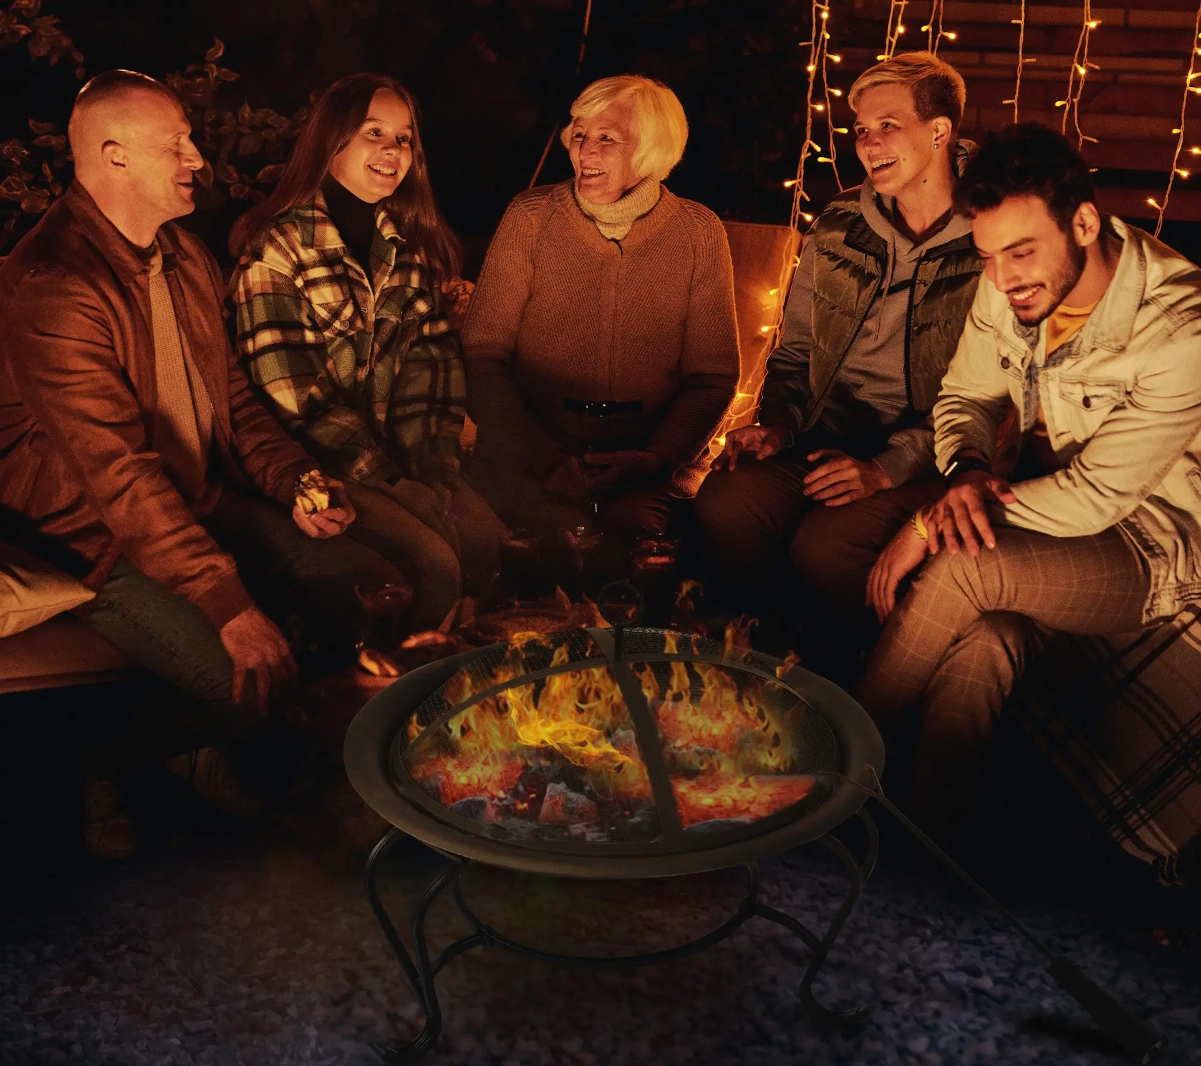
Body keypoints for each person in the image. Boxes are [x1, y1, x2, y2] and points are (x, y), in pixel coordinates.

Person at [0, 71, 405, 853]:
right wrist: (227, 604)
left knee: (364, 589)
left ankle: (232, 752)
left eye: (190, 138)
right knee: (248, 674)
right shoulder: (54, 285)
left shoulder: (182, 254)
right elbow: (116, 473)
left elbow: (231, 398)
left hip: (191, 498)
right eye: (175, 144)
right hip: (92, 532)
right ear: (113, 157)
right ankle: (100, 762)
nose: (197, 158)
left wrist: (297, 481)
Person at [857, 122, 1201, 840]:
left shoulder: (1180, 327)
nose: (1002, 276)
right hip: (1044, 515)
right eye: (986, 256)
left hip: (1156, 541)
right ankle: (924, 847)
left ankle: (822, 766)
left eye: (1020, 251)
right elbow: (965, 398)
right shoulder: (1008, 287)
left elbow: (1096, 497)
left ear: (1083, 221)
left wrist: (926, 524)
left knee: (960, 568)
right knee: (989, 640)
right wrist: (967, 471)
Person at [695, 53, 981, 665]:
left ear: (939, 131)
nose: (869, 144)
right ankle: (756, 657)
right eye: (861, 130)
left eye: (888, 125)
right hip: (823, 437)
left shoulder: (992, 236)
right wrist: (778, 424)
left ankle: (851, 680)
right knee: (726, 503)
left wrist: (886, 468)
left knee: (826, 546)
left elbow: (988, 394)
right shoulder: (840, 223)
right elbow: (795, 350)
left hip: (925, 452)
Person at [230, 73, 505, 631]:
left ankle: (474, 694)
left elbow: (433, 373)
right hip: (320, 468)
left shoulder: (403, 247)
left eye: (404, 138)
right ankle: (399, 698)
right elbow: (294, 396)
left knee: (492, 543)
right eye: (372, 132)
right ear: (331, 142)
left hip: (402, 462)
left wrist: (436, 472)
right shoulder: (279, 248)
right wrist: (394, 484)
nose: (392, 149)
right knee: (433, 565)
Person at [461, 74, 740, 567]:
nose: (583, 150)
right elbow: (483, 355)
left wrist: (656, 458)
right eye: (580, 133)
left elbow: (712, 376)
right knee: (526, 553)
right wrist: (538, 452)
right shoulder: (531, 218)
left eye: (606, 138)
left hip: (647, 463)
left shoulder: (699, 234)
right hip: (531, 456)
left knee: (630, 551)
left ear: (652, 150)